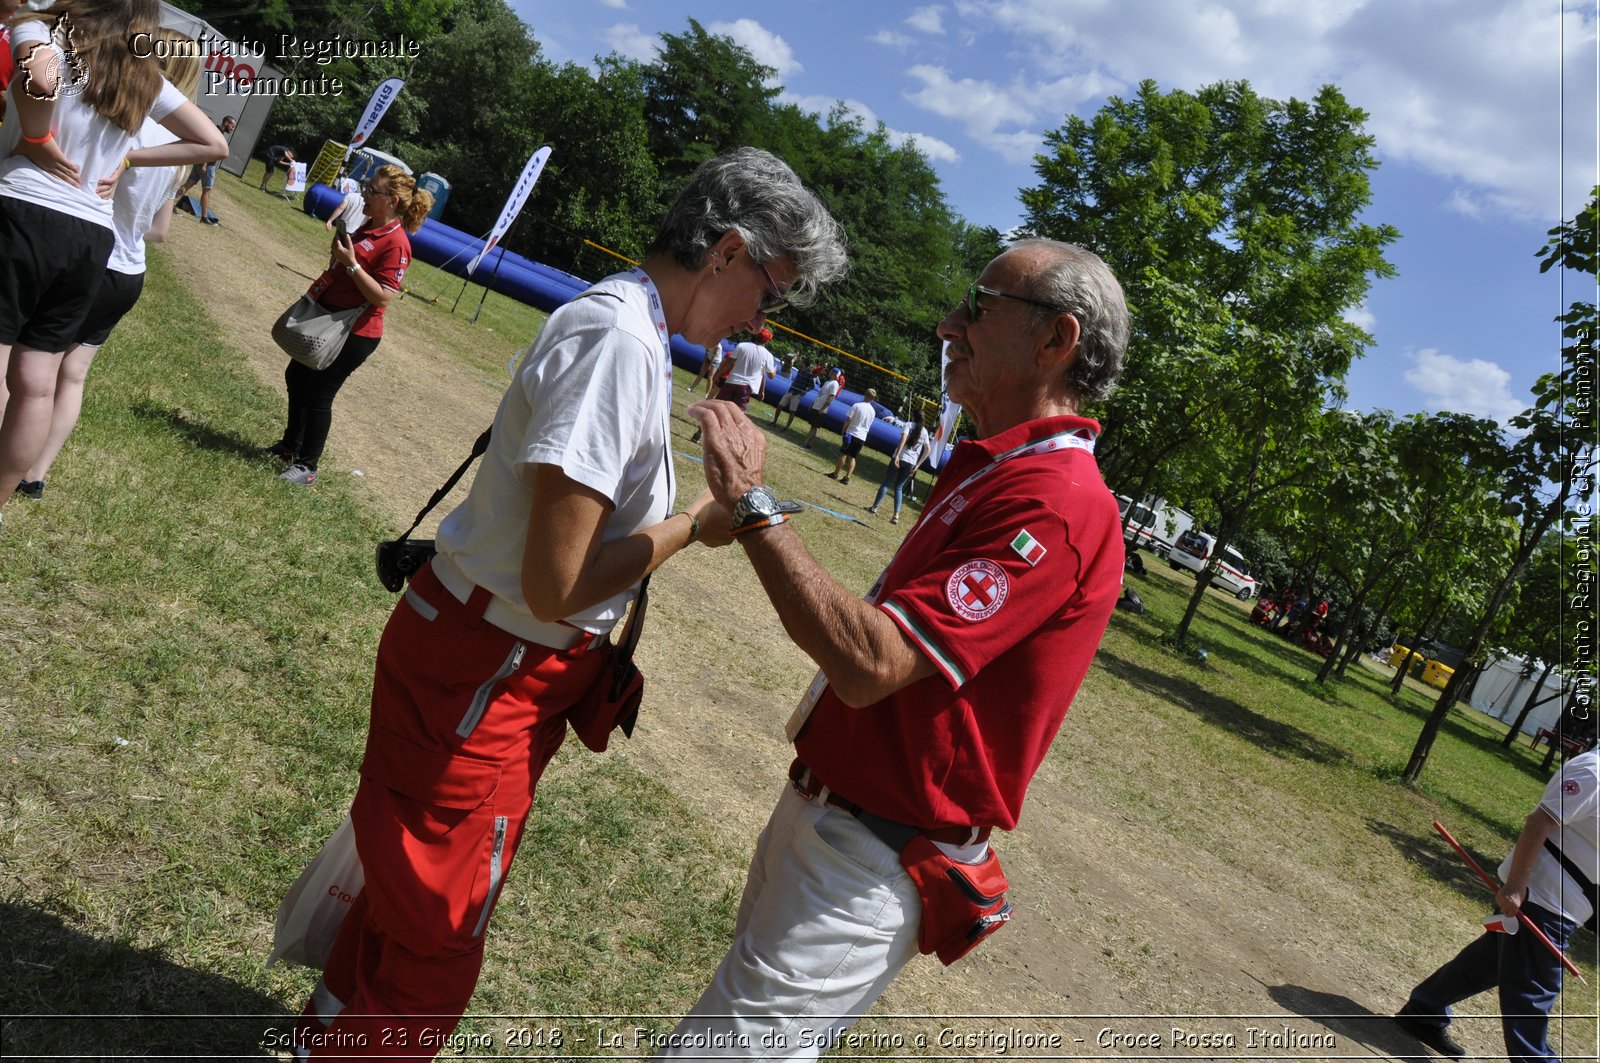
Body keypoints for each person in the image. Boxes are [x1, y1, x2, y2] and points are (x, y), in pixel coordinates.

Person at [289, 146, 847, 1061]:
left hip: (486, 659)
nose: (762, 320)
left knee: (416, 895)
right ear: (728, 251)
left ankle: (328, 1036)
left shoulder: (632, 327)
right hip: (487, 670)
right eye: (770, 291)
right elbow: (557, 581)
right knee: (440, 926)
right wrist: (697, 524)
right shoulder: (619, 343)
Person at [667, 237, 1128, 1059]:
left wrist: (749, 503)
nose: (950, 322)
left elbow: (871, 662)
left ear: (1056, 341)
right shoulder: (998, 465)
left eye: (981, 307)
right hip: (830, 819)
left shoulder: (1056, 501)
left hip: (871, 855)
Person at [0, 0, 227, 532]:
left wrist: (36, 138)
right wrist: (129, 158)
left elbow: (41, 79)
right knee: (37, 383)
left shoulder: (50, 34)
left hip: (26, 211)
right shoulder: (143, 72)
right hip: (92, 237)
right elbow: (212, 142)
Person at [1396, 748, 1598, 1061]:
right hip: (1545, 899)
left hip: (1565, 904)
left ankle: (1424, 1009)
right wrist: (1516, 886)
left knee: (1486, 964)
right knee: (1533, 994)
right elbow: (1539, 821)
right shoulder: (1594, 772)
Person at [266, 166, 431, 486]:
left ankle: (307, 466)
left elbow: (383, 297)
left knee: (318, 396)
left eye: (372, 191)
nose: (365, 194)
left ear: (392, 201)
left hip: (355, 333)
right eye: (367, 187)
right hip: (329, 317)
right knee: (296, 375)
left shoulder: (397, 243)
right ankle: (290, 446)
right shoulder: (368, 226)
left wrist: (351, 264)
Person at [690, 327, 774, 443]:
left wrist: (717, 374)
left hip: (731, 382)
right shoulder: (768, 355)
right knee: (736, 417)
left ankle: (699, 433)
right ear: (767, 341)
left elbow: (729, 362)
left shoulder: (743, 345)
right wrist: (773, 371)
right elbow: (770, 375)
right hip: (745, 387)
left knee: (716, 409)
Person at [866, 409, 932, 523]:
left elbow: (903, 439)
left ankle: (874, 508)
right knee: (899, 487)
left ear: (913, 416)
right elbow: (928, 449)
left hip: (901, 457)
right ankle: (896, 515)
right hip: (911, 462)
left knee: (886, 482)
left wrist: (897, 455)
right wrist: (917, 465)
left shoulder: (908, 425)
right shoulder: (925, 432)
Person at [174, 113, 234, 224]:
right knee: (207, 190)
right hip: (208, 165)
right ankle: (204, 217)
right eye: (232, 126)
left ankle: (171, 205)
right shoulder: (217, 132)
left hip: (200, 162)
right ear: (226, 123)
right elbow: (208, 148)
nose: (232, 128)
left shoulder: (215, 130)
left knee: (188, 184)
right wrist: (204, 164)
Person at [828, 385, 877, 483]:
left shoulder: (857, 405)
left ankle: (835, 473)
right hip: (862, 437)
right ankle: (847, 477)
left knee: (844, 454)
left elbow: (848, 419)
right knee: (853, 457)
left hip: (852, 433)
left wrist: (843, 430)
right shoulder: (873, 411)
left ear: (865, 395)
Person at [800, 367, 842, 449]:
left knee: (814, 426)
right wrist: (813, 403)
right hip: (817, 405)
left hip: (821, 407)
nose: (829, 372)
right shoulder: (827, 382)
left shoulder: (835, 384)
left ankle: (805, 442)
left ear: (834, 373)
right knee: (814, 426)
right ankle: (810, 443)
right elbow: (820, 393)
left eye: (831, 371)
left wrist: (823, 409)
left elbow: (831, 398)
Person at [772, 359, 817, 430]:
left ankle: (787, 427)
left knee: (792, 411)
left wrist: (804, 392)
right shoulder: (799, 370)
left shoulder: (808, 374)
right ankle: (774, 422)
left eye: (802, 362)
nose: (800, 363)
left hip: (797, 394)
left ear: (804, 364)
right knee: (780, 406)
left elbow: (812, 386)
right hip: (791, 391)